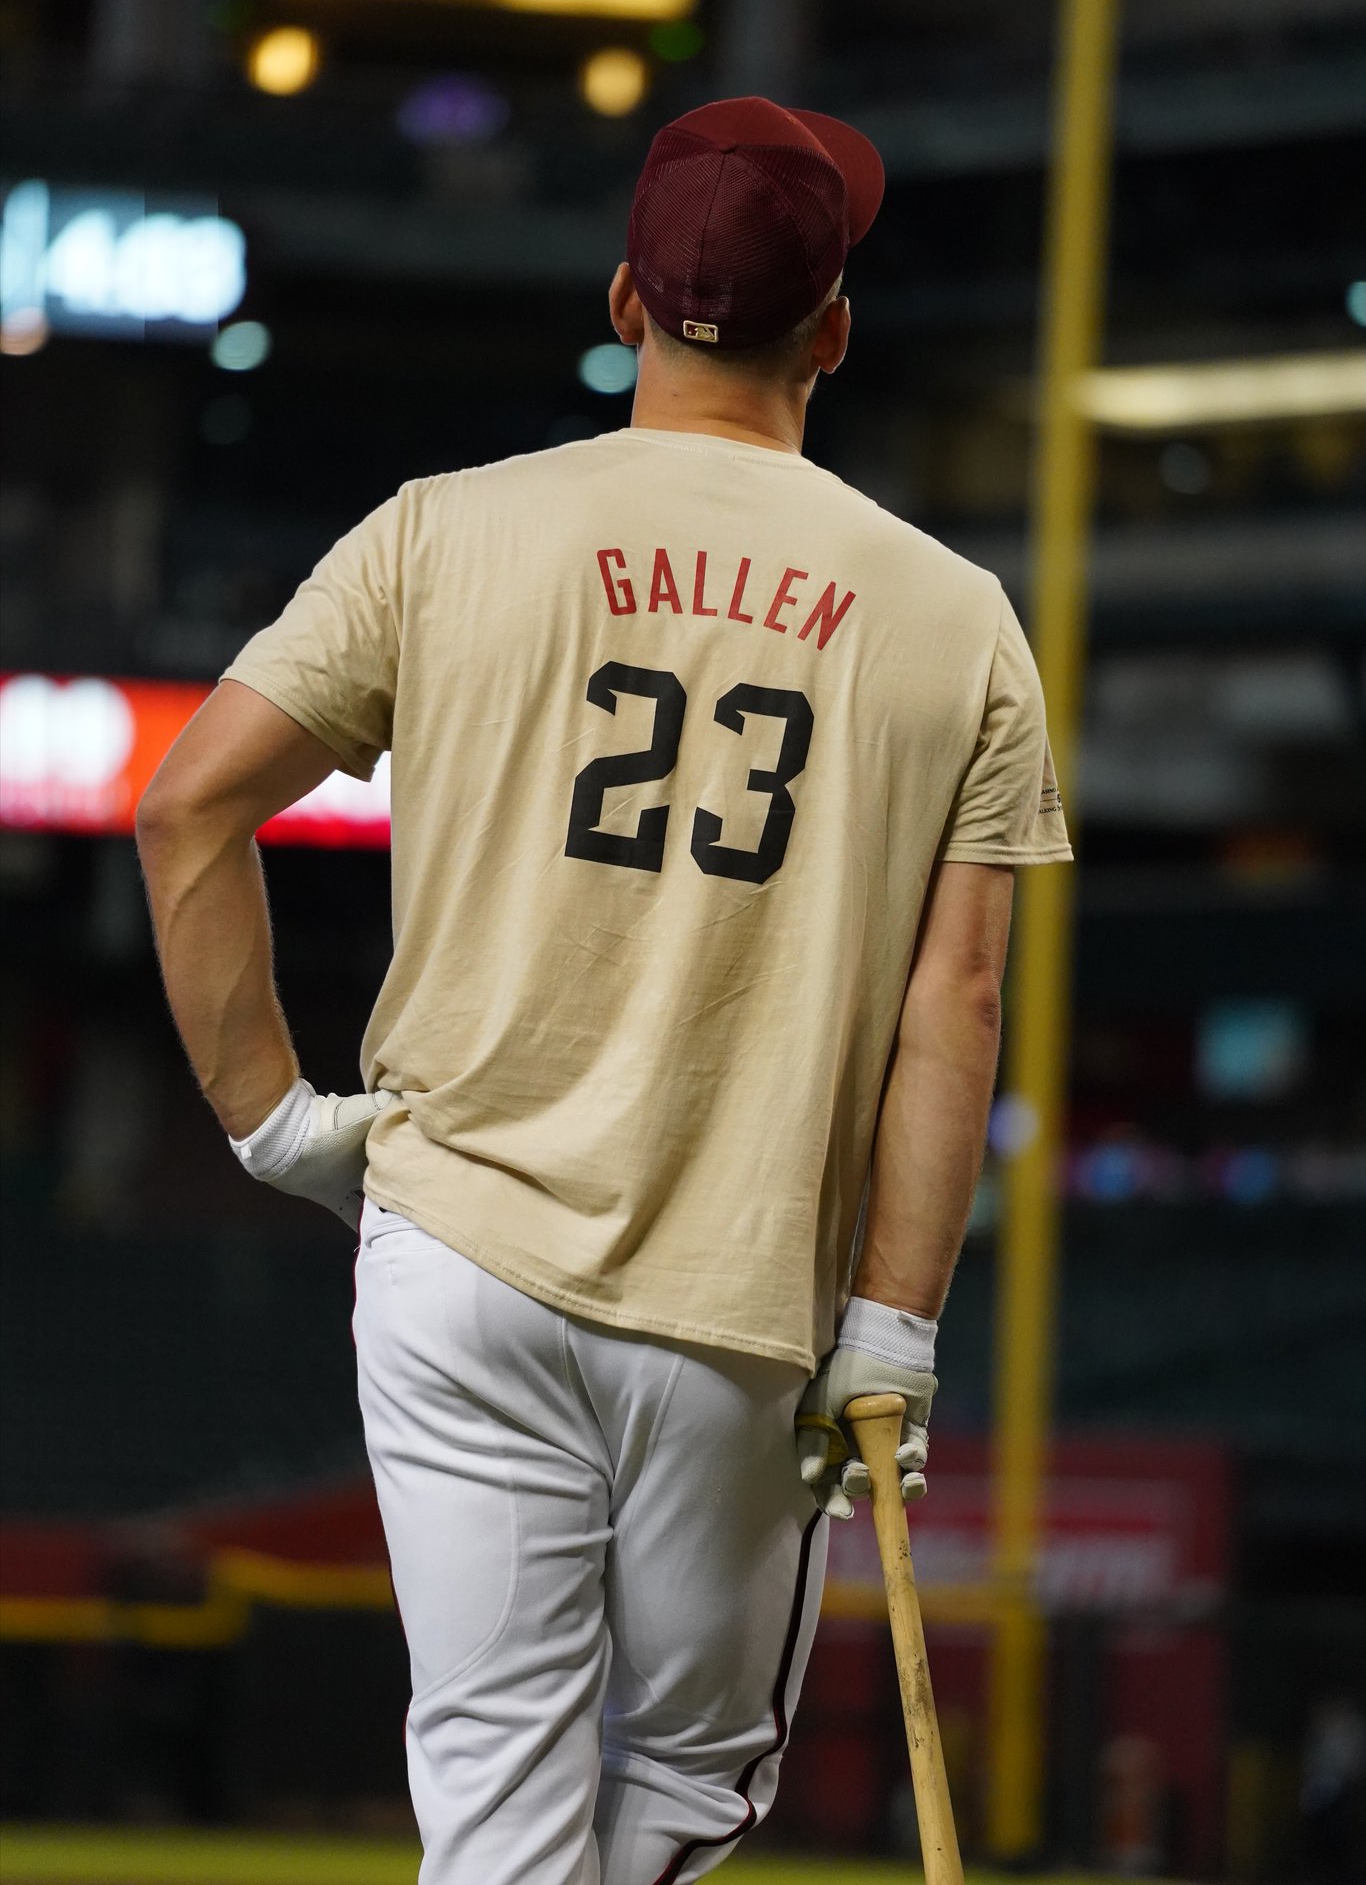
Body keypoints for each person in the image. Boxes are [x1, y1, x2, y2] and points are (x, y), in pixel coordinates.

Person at [136, 96, 1071, 1884]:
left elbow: (189, 809)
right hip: (733, 1300)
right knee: (692, 1779)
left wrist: (272, 1120)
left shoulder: (440, 531)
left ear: (626, 298)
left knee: (492, 1787)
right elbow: (952, 1009)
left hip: (457, 1247)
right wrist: (895, 1319)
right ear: (838, 331)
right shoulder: (955, 618)